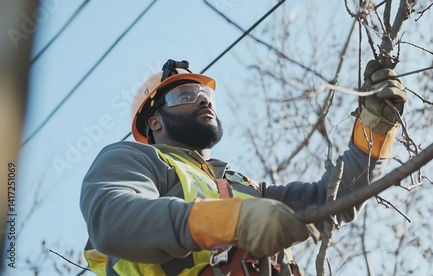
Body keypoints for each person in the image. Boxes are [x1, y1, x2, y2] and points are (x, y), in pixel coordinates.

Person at [80, 59, 407, 275]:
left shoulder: (242, 188)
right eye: (185, 95)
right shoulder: (132, 159)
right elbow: (112, 218)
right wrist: (235, 221)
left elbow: (332, 199)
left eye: (207, 95)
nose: (204, 100)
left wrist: (375, 128)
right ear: (154, 121)